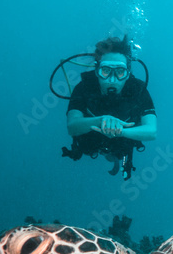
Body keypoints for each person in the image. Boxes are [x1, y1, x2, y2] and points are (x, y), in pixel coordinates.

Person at [62, 36, 157, 180]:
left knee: (118, 152)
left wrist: (121, 131)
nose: (112, 80)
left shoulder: (138, 89)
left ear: (128, 74)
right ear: (96, 71)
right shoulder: (83, 88)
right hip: (91, 141)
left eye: (120, 72)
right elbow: (72, 126)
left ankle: (114, 157)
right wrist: (101, 120)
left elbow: (151, 131)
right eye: (105, 71)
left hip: (123, 141)